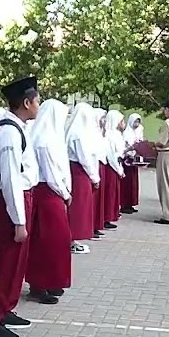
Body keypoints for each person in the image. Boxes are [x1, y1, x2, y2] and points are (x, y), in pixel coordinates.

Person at [0, 76, 41, 337]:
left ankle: (4, 309)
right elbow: (11, 178)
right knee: (5, 261)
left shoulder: (17, 128)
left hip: (18, 199)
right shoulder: (8, 133)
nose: (40, 104)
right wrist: (19, 221)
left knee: (16, 262)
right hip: (9, 203)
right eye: (37, 100)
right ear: (26, 103)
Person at [25, 98, 73, 304]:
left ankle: (51, 281)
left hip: (50, 193)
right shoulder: (44, 140)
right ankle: (40, 285)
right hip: (48, 194)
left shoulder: (49, 136)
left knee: (54, 242)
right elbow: (52, 174)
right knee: (47, 242)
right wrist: (65, 193)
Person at [64, 102, 100, 254]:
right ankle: (71, 239)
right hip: (79, 173)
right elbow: (84, 158)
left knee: (79, 207)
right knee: (77, 208)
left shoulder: (76, 132)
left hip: (78, 171)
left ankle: (73, 238)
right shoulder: (78, 134)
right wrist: (94, 176)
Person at [120, 113, 143, 214]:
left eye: (138, 122)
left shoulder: (137, 132)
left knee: (133, 183)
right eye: (135, 121)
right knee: (127, 183)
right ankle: (125, 204)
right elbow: (125, 145)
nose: (137, 124)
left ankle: (131, 203)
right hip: (127, 160)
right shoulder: (126, 133)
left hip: (134, 160)